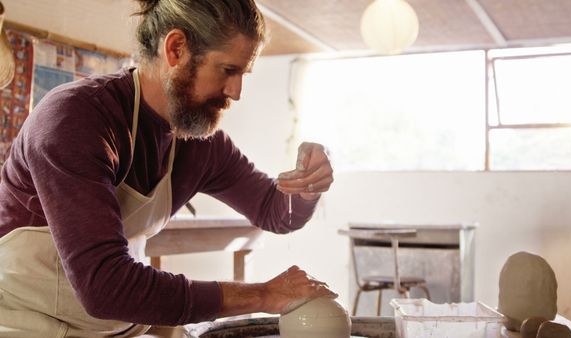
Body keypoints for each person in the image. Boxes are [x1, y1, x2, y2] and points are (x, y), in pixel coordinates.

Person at [0, 0, 336, 336]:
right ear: (175, 49)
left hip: (114, 326)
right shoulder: (75, 120)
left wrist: (309, 185)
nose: (236, 92)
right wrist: (262, 295)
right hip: (24, 323)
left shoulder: (200, 142)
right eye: (228, 70)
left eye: (242, 74)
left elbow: (275, 211)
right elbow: (105, 285)